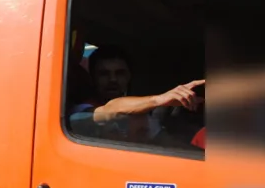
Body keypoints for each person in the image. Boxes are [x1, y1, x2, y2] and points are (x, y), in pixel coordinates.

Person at [70, 45, 204, 143]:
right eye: (104, 74)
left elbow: (172, 147)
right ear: (92, 77)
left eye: (120, 73)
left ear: (129, 76)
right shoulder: (81, 111)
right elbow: (110, 109)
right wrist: (160, 100)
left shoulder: (141, 117)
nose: (113, 79)